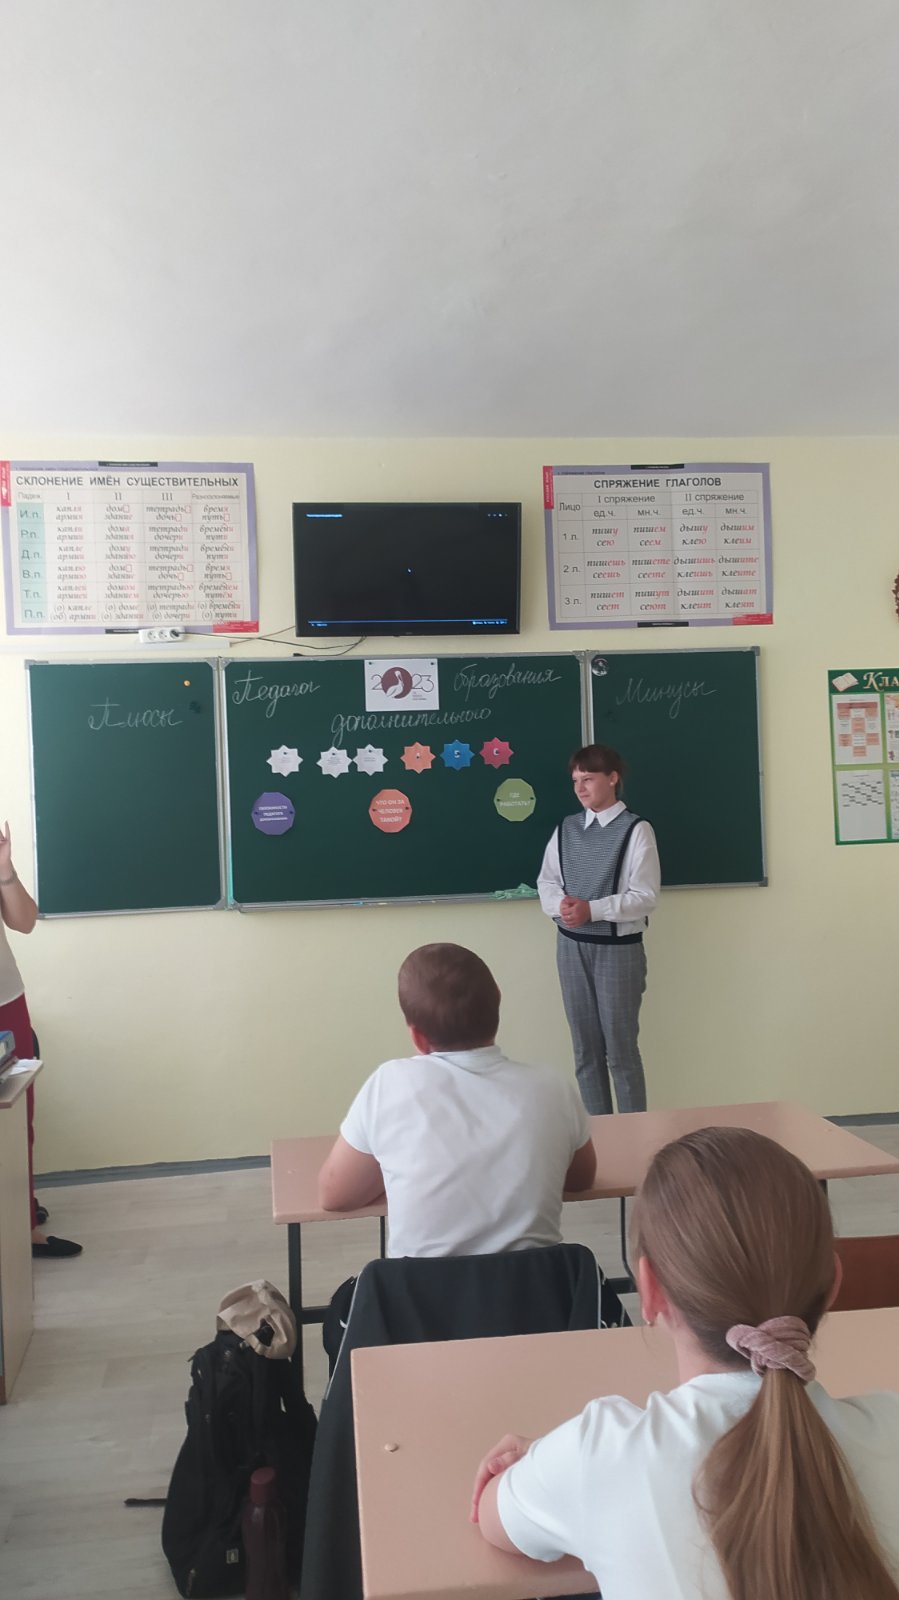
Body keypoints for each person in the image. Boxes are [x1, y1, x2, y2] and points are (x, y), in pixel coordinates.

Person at [472, 1126, 899, 1600]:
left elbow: (494, 1517)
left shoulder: (599, 1455)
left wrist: (545, 1459)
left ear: (650, 1290)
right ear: (834, 1284)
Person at [318, 942, 597, 1257]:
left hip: (422, 1288)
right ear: (499, 1002)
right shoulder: (552, 1087)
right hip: (538, 1286)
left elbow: (335, 1195)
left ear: (417, 1037)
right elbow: (581, 1179)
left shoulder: (389, 1083)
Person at [537, 743, 660, 1115]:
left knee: (620, 1051)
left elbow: (645, 896)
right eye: (575, 780)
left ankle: (634, 1136)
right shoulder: (567, 828)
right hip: (570, 947)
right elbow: (546, 881)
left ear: (612, 778)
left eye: (588, 779)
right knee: (585, 1051)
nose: (580, 788)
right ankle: (602, 1133)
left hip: (618, 951)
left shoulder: (636, 830)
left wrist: (592, 910)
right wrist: (561, 906)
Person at [0, 822, 81, 1259]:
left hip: (6, 1000)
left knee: (17, 1117)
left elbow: (25, 922)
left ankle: (22, 1222)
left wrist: (5, 871)